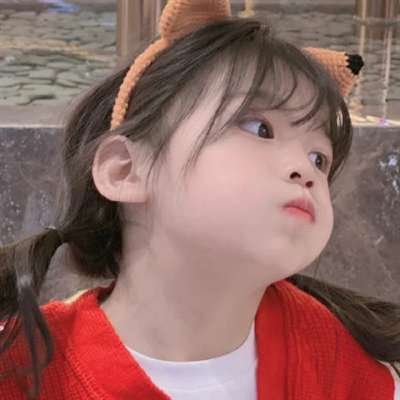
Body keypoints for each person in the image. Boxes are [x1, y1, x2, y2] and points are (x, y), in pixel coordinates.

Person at [0, 1, 399, 399]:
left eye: (319, 159)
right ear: (125, 170)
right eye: (260, 129)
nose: (305, 170)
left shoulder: (340, 363)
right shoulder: (23, 370)